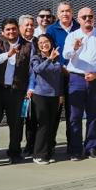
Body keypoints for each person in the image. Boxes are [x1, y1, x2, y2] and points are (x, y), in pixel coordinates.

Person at [65, 7, 96, 160]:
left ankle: (91, 147)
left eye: (90, 16)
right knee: (75, 116)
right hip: (76, 79)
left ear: (94, 18)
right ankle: (76, 149)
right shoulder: (72, 36)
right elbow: (66, 54)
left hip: (95, 80)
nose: (87, 19)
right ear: (78, 19)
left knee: (93, 115)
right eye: (84, 17)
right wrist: (75, 47)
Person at [0, 18, 30, 164]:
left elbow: (31, 70)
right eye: (8, 29)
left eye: (13, 29)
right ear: (2, 31)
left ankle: (14, 152)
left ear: (18, 29)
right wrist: (8, 54)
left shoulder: (27, 45)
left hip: (17, 91)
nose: (11, 32)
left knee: (17, 123)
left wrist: (29, 89)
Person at [27, 34, 65, 164]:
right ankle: (38, 155)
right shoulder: (36, 58)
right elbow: (38, 69)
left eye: (46, 41)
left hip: (54, 96)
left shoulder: (57, 58)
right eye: (41, 42)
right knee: (43, 125)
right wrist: (49, 59)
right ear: (37, 45)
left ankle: (47, 152)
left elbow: (59, 78)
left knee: (51, 125)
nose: (44, 44)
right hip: (40, 95)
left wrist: (60, 94)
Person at [18, 14, 42, 158]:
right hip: (19, 86)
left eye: (31, 25)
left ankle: (30, 145)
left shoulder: (38, 42)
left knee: (32, 118)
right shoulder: (17, 43)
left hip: (35, 86)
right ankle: (16, 146)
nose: (29, 28)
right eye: (26, 25)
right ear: (20, 27)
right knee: (19, 118)